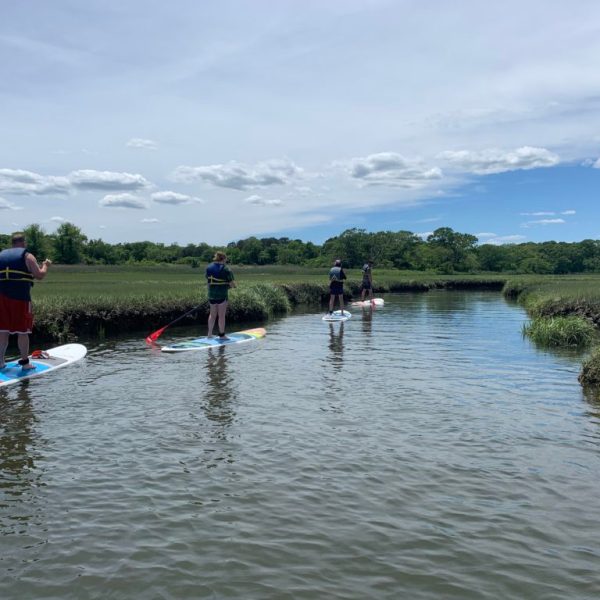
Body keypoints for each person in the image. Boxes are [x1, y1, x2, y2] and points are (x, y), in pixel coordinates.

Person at [0, 232, 52, 370]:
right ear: (23, 243)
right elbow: (39, 275)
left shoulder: (1, 256)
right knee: (23, 331)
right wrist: (46, 265)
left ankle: (0, 362)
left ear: (12, 243)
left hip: (2, 298)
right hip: (20, 298)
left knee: (2, 330)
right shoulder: (27, 256)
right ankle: (25, 364)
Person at [205, 251, 236, 339]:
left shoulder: (209, 267)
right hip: (222, 296)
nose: (226, 260)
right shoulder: (227, 269)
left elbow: (208, 282)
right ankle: (222, 335)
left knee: (212, 314)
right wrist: (233, 286)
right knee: (221, 316)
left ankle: (209, 334)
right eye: (226, 259)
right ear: (223, 259)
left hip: (211, 296)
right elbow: (232, 284)